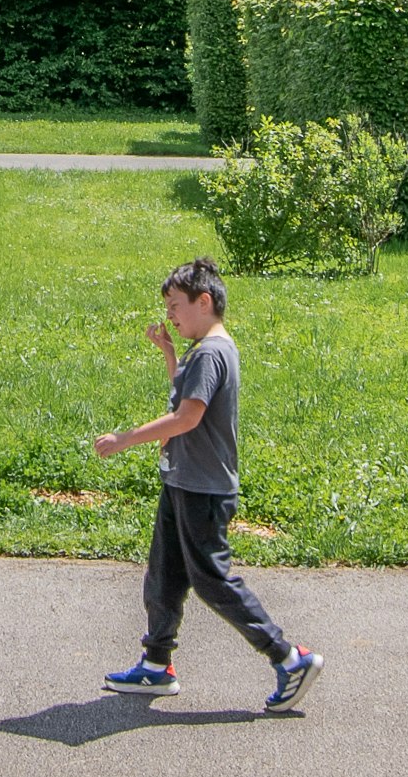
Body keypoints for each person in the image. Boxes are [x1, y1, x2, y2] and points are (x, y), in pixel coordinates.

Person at [90, 255, 321, 711]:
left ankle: (289, 658)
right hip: (184, 481)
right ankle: (156, 665)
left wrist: (126, 439)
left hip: (203, 488)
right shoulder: (205, 352)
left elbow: (187, 417)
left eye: (175, 306)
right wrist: (169, 355)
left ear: (204, 301)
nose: (170, 315)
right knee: (164, 575)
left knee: (212, 580)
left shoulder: (212, 353)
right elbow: (186, 398)